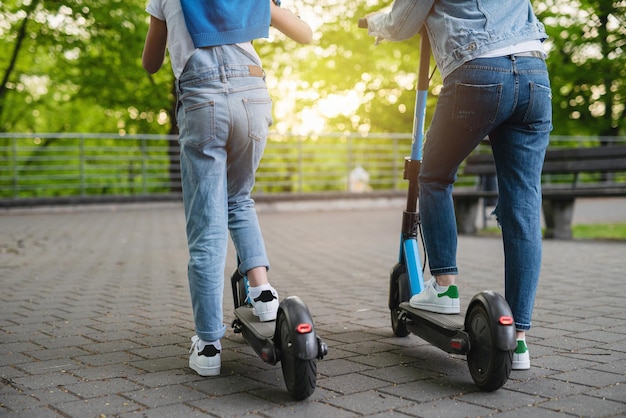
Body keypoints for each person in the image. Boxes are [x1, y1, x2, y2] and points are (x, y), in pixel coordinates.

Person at [365, 0, 552, 370]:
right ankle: (518, 341)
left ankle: (445, 286)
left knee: (433, 176)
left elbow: (402, 23)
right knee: (523, 205)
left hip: (478, 70)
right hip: (534, 72)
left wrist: (375, 24)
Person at [142, 0, 312, 377]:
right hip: (252, 94)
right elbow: (305, 33)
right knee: (239, 198)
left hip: (203, 101)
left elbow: (150, 62)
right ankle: (264, 292)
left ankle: (207, 346)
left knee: (207, 226)